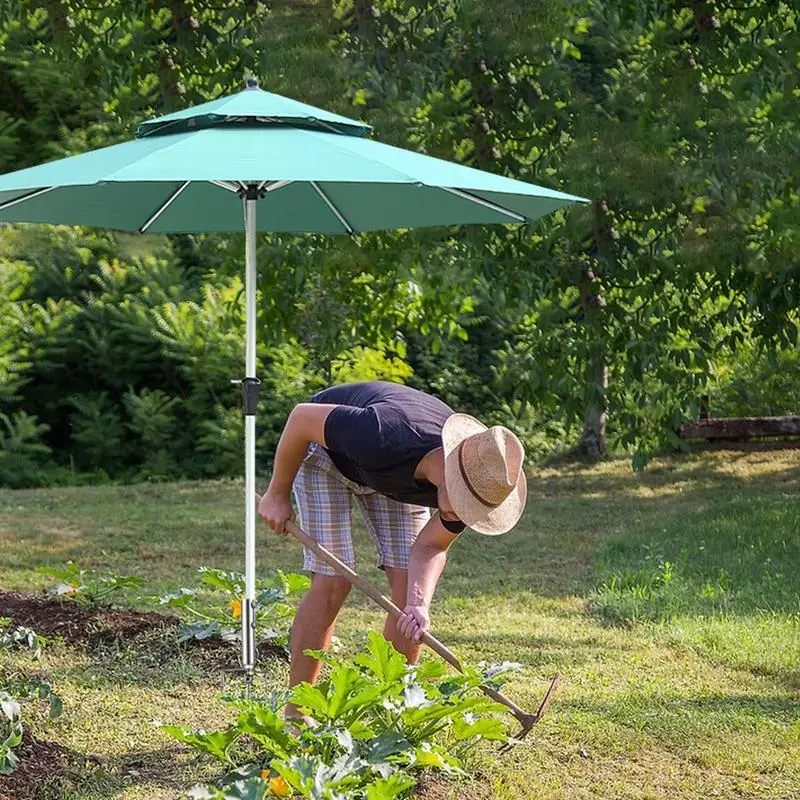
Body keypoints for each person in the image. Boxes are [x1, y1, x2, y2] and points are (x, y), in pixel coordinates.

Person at [257, 381, 527, 720]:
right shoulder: (385, 434)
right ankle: (297, 713)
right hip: (325, 454)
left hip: (388, 478)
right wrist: (277, 494)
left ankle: (387, 711)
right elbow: (301, 419)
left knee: (407, 604)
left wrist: (418, 603)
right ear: (449, 479)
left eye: (473, 511)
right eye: (462, 506)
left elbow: (431, 547)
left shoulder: (478, 487)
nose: (462, 517)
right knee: (333, 582)